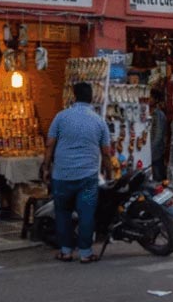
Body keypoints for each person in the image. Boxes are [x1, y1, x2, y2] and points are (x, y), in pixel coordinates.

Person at [42, 82, 111, 263]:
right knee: (86, 214)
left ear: (74, 97)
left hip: (62, 175)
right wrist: (109, 173)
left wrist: (46, 167)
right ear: (92, 98)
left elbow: (50, 145)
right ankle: (86, 253)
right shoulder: (99, 121)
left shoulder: (61, 117)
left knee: (63, 213)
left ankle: (65, 251)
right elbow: (106, 153)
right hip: (88, 177)